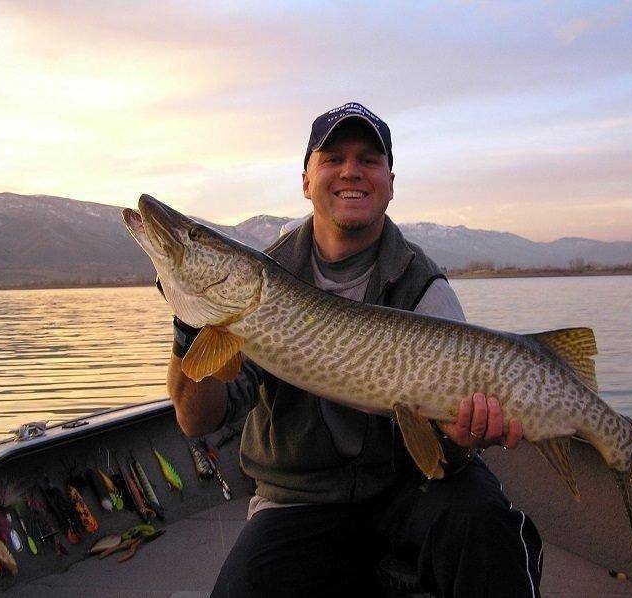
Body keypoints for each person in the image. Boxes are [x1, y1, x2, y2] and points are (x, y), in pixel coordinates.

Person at [166, 102, 543, 597]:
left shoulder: (423, 286)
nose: (351, 171)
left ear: (389, 182)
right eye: (333, 158)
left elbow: (447, 452)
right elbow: (199, 421)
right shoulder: (262, 284)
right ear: (306, 180)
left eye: (369, 159)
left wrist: (464, 435)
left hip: (410, 489)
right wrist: (189, 325)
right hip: (297, 500)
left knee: (485, 524)